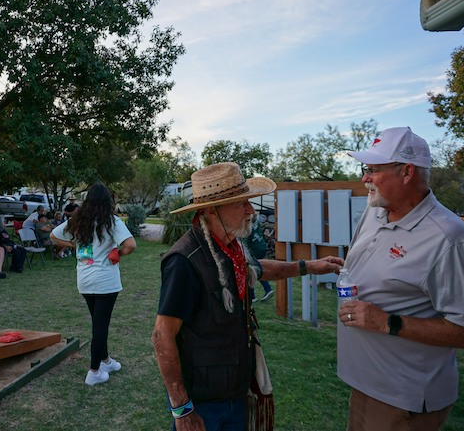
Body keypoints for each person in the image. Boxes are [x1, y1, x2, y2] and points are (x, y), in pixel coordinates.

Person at [151, 162, 344, 430]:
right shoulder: (184, 261)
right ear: (210, 210)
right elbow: (162, 336)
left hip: (237, 391)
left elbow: (257, 269)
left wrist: (309, 266)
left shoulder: (232, 246)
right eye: (240, 204)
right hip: (205, 401)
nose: (251, 210)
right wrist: (182, 410)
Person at [338, 127, 464, 431]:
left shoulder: (448, 238)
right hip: (366, 383)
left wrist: (388, 321)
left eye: (374, 170)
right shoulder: (375, 212)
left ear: (407, 172)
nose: (364, 178)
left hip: (402, 397)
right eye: (365, 169)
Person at [51, 183, 136, 386]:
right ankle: (94, 371)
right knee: (100, 326)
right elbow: (131, 245)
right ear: (108, 201)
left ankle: (105, 360)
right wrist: (119, 253)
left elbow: (53, 236)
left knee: (98, 323)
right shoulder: (111, 221)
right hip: (105, 281)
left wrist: (75, 244)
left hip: (85, 280)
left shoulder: (78, 220)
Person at [246, 214, 274, 303]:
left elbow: (245, 241)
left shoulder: (247, 226)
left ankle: (254, 295)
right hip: (262, 246)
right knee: (256, 269)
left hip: (255, 249)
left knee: (251, 271)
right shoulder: (256, 222)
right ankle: (266, 290)